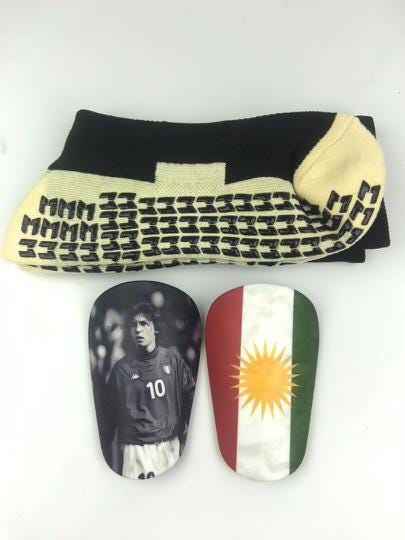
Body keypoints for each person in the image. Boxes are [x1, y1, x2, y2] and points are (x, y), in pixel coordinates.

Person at [104, 302, 195, 479]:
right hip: (136, 451)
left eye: (143, 323)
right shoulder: (121, 370)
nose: (138, 329)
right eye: (134, 325)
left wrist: (186, 434)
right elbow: (107, 420)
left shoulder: (173, 361)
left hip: (169, 446)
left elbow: (191, 398)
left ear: (155, 328)